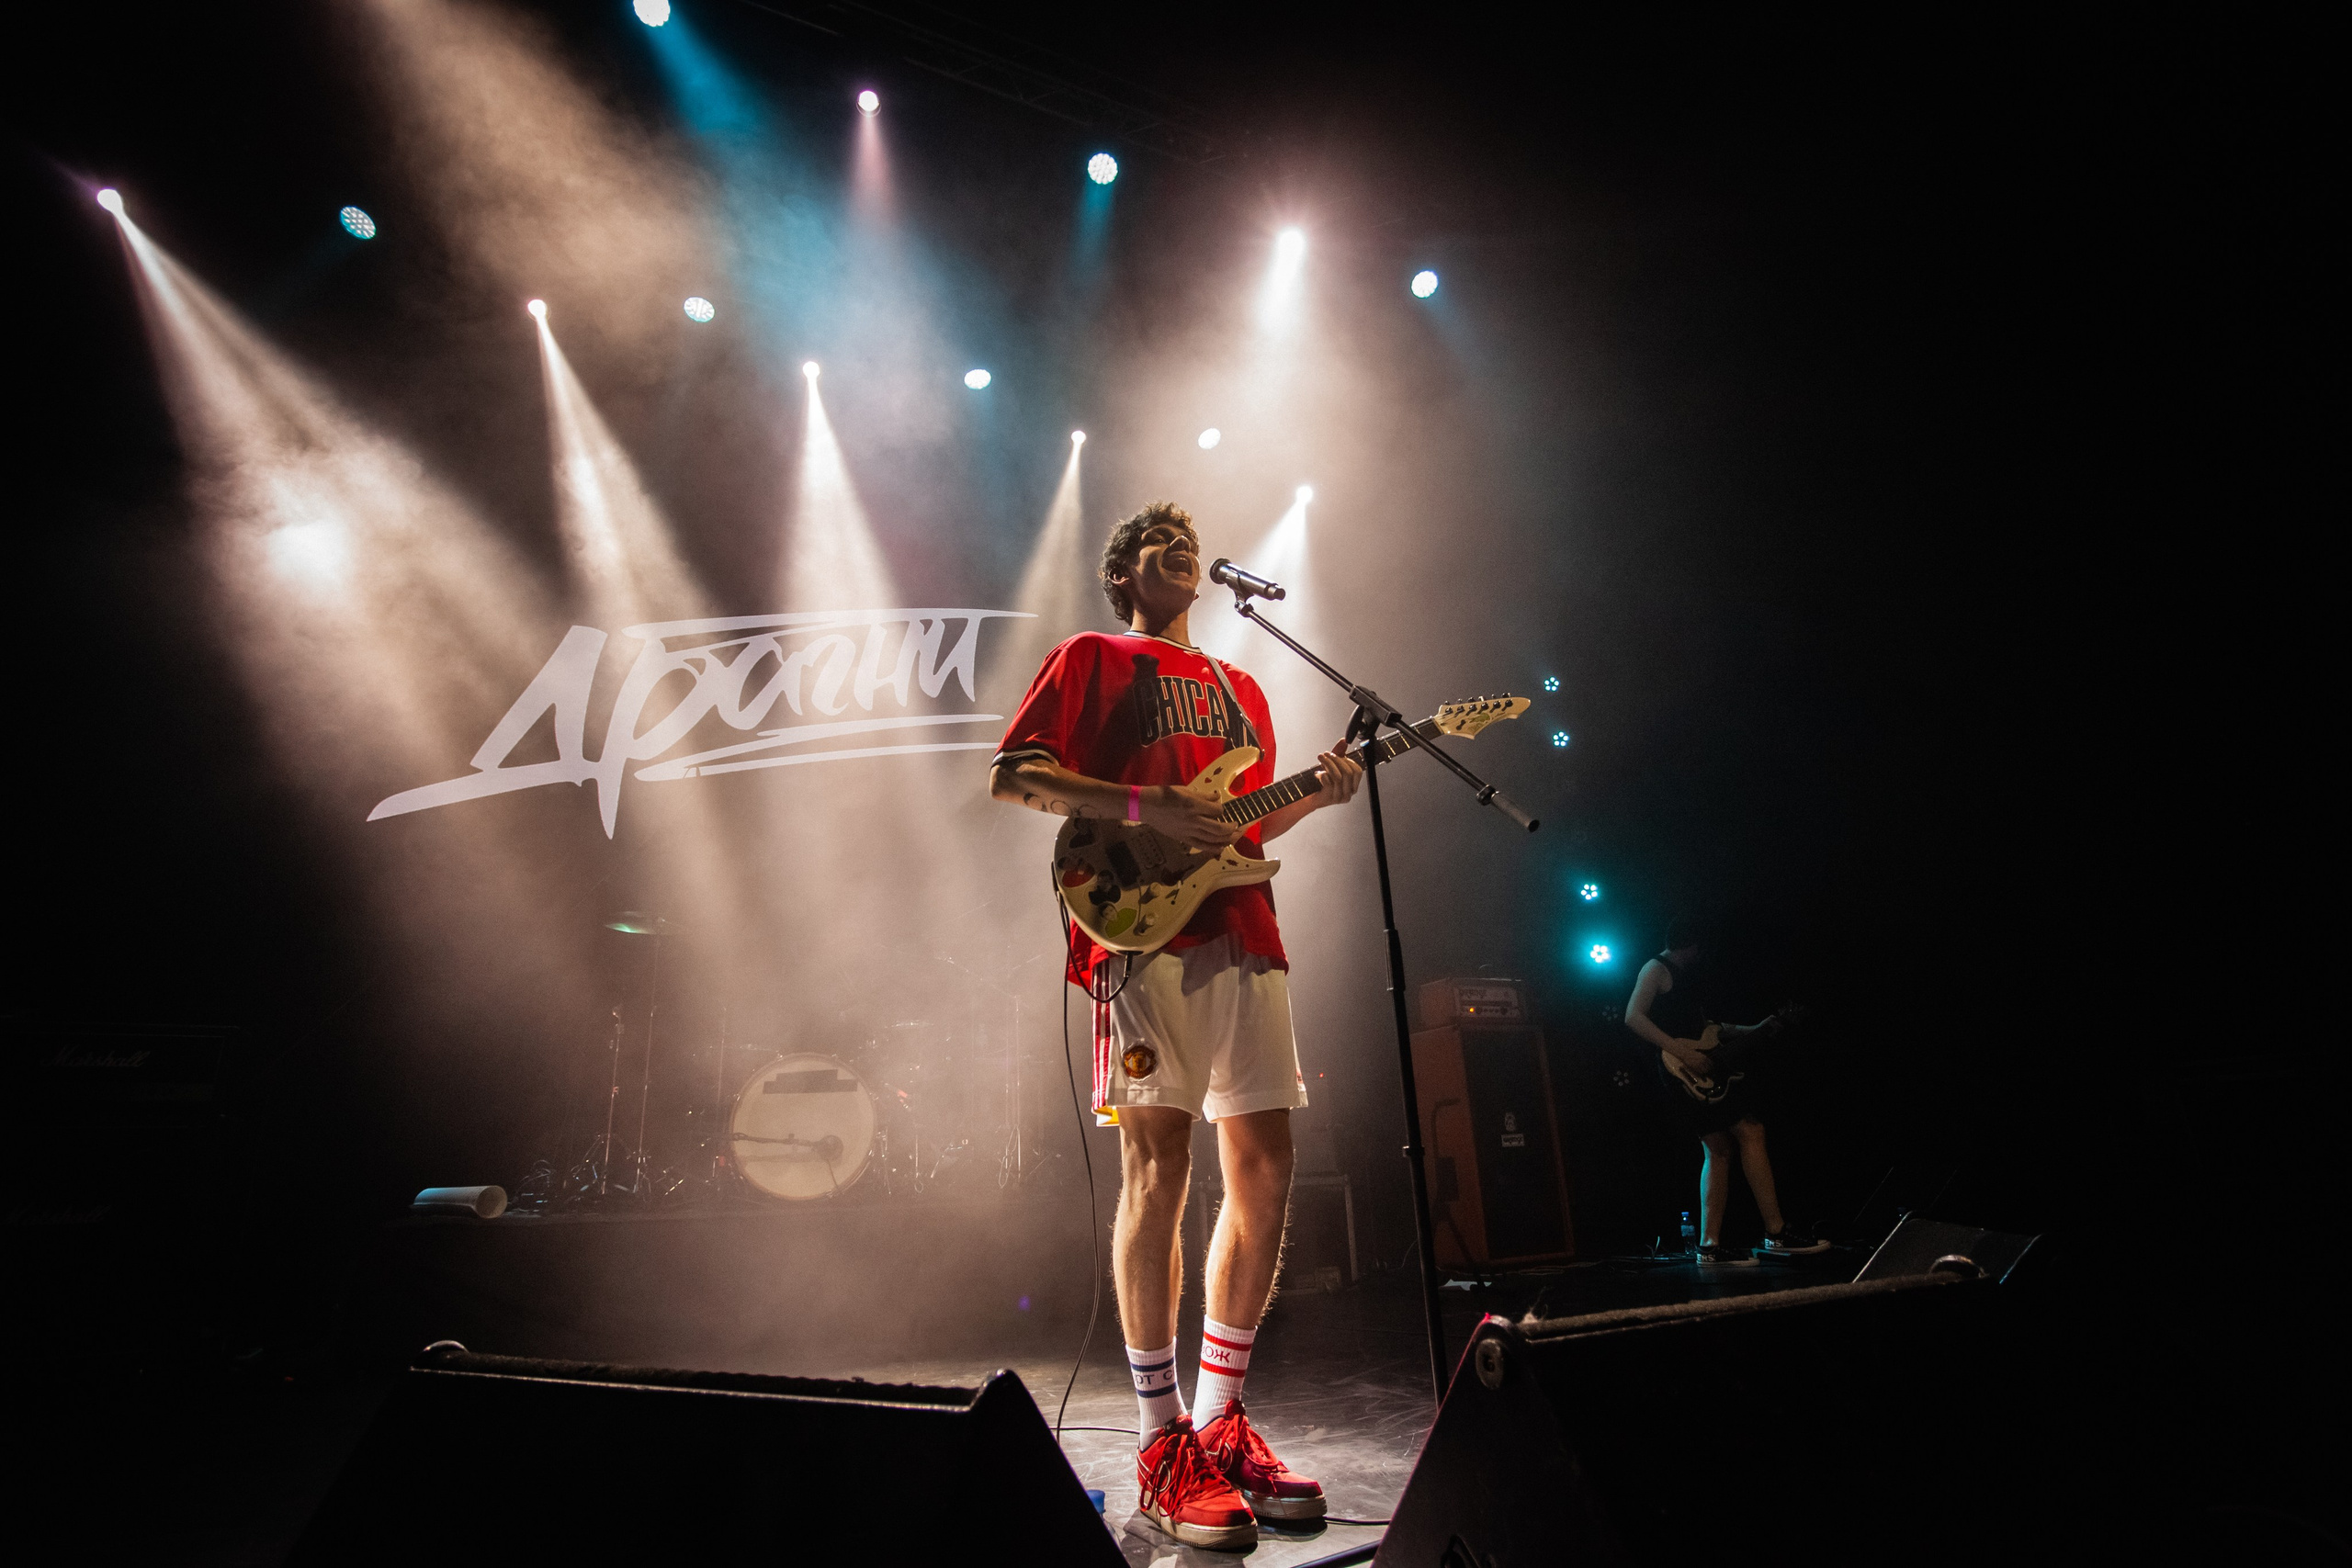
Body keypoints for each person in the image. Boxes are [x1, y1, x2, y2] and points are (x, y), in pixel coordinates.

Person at [989, 502, 1364, 1551]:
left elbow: (1239, 820)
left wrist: (1322, 795)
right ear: (1125, 575)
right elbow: (1013, 775)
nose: (1179, 550)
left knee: (1267, 1167)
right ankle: (1161, 1442)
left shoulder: (1243, 688)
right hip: (1140, 934)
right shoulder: (1094, 654)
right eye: (1155, 542)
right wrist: (1144, 810)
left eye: (1187, 540)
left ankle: (1220, 1418)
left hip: (1248, 929)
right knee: (1162, 1170)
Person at [1623, 917, 1828, 1267]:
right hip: (1681, 1069)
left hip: (1691, 1067)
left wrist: (1757, 1029)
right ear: (1693, 944)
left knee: (1718, 1149)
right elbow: (1633, 1017)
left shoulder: (1685, 978)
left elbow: (1708, 1030)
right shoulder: (1656, 968)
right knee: (1751, 1131)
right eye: (1701, 948)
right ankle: (1776, 1233)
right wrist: (1684, 1053)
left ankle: (1709, 1247)